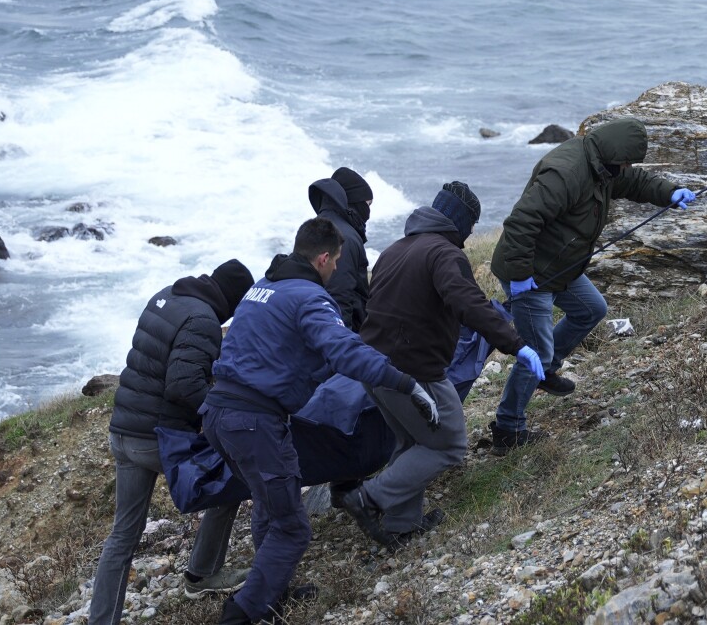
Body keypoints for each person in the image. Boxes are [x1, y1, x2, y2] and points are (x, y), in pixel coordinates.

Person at [201, 218, 437, 625]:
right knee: (293, 527)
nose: (336, 271)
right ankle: (240, 616)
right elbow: (343, 349)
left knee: (270, 503)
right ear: (324, 258)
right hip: (255, 422)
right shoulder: (310, 297)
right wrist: (402, 381)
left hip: (219, 414)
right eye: (337, 262)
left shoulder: (263, 288)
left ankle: (273, 591)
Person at [345, 181, 543, 545]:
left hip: (372, 369)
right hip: (414, 373)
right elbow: (466, 301)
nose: (468, 238)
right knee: (450, 444)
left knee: (411, 439)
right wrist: (516, 345)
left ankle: (400, 524)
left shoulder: (394, 250)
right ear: (460, 222)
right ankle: (367, 499)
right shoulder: (444, 254)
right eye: (469, 227)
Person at [489, 118, 696, 453]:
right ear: (614, 153)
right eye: (626, 161)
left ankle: (546, 372)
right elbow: (522, 221)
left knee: (591, 310)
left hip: (560, 268)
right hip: (529, 274)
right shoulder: (567, 173)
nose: (627, 167)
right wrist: (519, 276)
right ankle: (507, 428)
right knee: (536, 351)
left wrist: (669, 193)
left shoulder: (602, 166)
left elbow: (636, 181)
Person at [88, 259, 256, 625]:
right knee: (232, 479)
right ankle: (202, 574)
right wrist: (219, 415)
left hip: (123, 432)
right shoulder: (204, 321)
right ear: (231, 300)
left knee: (123, 535)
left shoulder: (167, 295)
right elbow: (183, 385)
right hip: (155, 439)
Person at [308, 167, 373, 332]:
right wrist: (345, 348)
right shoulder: (345, 238)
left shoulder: (313, 227)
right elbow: (339, 298)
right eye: (367, 205)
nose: (369, 213)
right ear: (354, 202)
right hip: (340, 337)